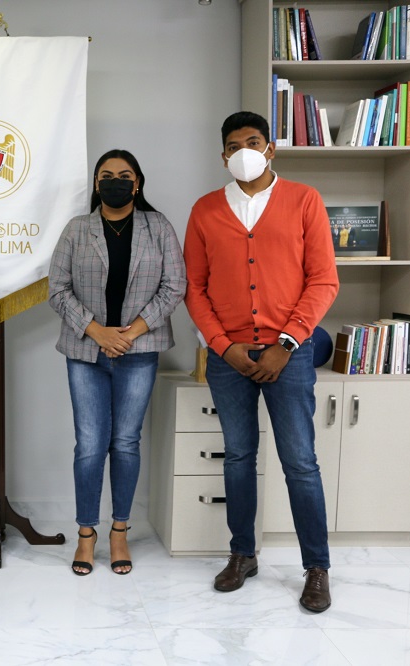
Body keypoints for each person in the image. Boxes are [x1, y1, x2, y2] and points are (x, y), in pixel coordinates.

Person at [184, 111, 338, 613]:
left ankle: (317, 567)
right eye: (234, 146)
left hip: (288, 355)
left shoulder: (304, 200)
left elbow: (323, 279)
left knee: (300, 462)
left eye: (253, 142)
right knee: (238, 457)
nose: (244, 152)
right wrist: (222, 345)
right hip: (228, 357)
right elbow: (194, 288)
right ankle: (242, 554)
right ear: (223, 156)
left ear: (270, 148)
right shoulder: (206, 210)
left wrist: (286, 344)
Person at [48, 149, 185, 576]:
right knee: (90, 445)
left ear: (137, 183)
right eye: (106, 176)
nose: (115, 181)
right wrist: (98, 332)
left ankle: (120, 530)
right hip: (86, 352)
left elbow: (174, 285)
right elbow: (57, 288)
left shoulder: (158, 227)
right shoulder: (77, 229)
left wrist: (129, 333)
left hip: (138, 351)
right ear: (96, 184)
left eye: (124, 175)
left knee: (125, 442)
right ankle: (86, 534)